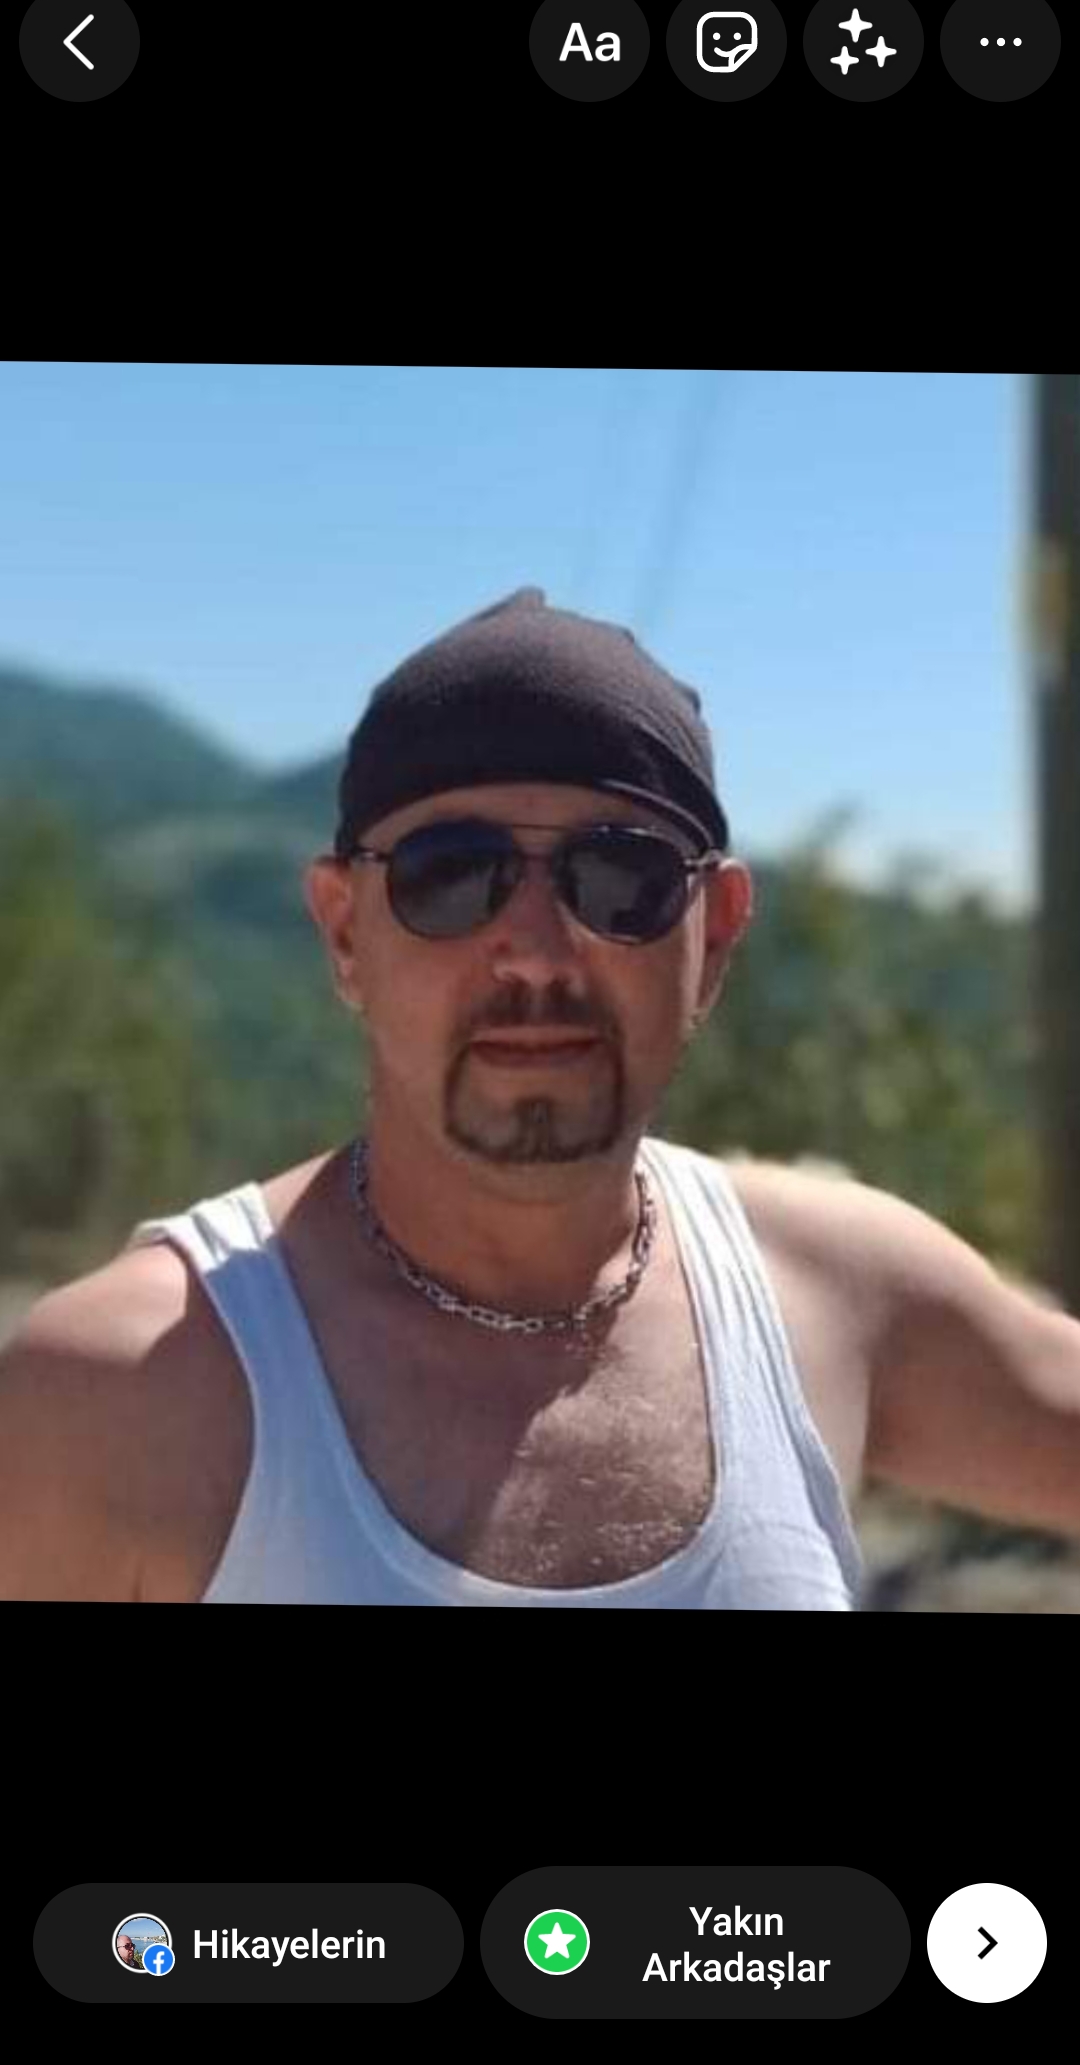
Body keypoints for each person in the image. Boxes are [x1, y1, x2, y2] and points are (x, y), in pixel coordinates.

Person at [2, 590, 1078, 1605]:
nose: (535, 953)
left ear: (715, 936)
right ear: (344, 932)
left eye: (620, 878)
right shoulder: (119, 1396)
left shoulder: (841, 1295)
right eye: (448, 876)